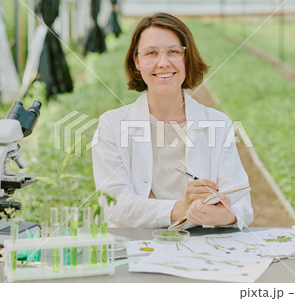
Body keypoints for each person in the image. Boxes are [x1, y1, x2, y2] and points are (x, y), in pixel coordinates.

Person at [92, 12, 253, 229]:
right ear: (137, 61)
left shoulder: (217, 123)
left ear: (187, 58)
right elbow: (113, 205)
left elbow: (241, 200)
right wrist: (182, 208)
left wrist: (223, 215)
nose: (163, 63)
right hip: (137, 245)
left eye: (173, 52)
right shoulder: (111, 125)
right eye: (151, 53)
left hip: (202, 247)